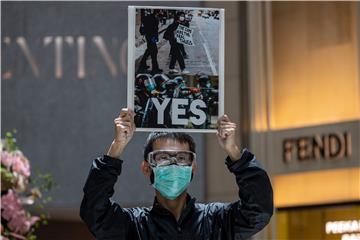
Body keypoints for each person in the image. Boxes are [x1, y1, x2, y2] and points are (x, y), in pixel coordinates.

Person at [80, 108, 274, 239]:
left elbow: (259, 210)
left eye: (182, 158)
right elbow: (95, 213)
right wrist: (117, 147)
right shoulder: (135, 226)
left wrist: (234, 153)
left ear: (193, 167)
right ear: (147, 168)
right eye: (163, 157)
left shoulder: (216, 221)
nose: (173, 165)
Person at [138, 10, 163, 75]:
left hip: (150, 37)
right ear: (157, 13)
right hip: (151, 37)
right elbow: (153, 29)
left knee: (149, 50)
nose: (162, 13)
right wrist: (154, 38)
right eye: (160, 12)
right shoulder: (152, 18)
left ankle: (142, 65)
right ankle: (155, 69)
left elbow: (154, 29)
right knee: (154, 52)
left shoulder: (153, 18)